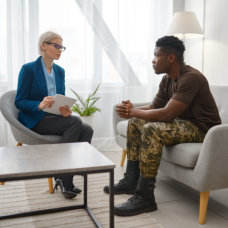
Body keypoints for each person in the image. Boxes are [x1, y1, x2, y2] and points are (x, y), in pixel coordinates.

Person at [104, 35, 221, 216]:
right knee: (135, 123)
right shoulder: (167, 79)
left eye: (156, 55)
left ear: (171, 57)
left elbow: (167, 114)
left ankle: (145, 198)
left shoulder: (191, 78)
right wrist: (131, 110)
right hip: (182, 123)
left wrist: (133, 111)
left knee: (151, 129)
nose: (153, 60)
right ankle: (131, 180)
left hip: (202, 129)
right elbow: (153, 107)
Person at [15, 31, 93, 199]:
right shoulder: (28, 69)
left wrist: (65, 110)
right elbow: (19, 101)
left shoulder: (60, 71)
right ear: (44, 45)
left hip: (54, 118)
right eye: (56, 46)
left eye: (61, 47)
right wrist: (39, 104)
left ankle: (67, 174)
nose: (60, 50)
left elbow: (60, 98)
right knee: (75, 123)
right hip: (35, 119)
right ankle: (66, 180)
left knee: (87, 130)